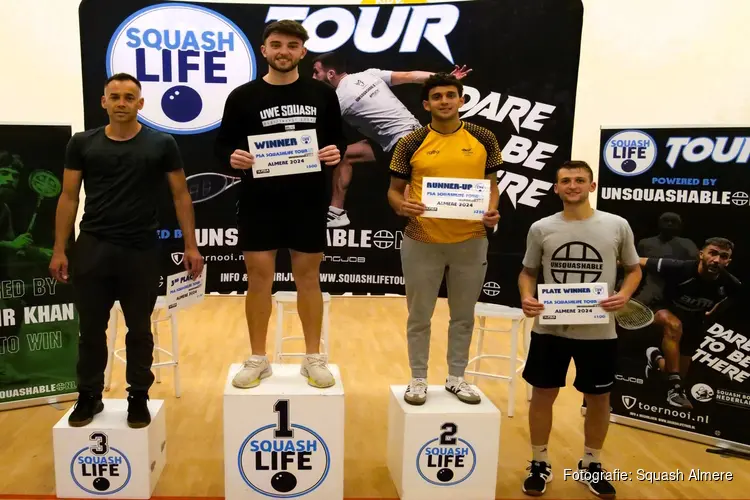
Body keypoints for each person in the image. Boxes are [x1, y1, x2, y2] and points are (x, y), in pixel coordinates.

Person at [49, 73, 203, 428]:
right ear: (104, 102)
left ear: (140, 103)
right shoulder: (82, 143)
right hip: (93, 247)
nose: (121, 103)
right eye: (114, 97)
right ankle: (89, 395)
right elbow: (69, 197)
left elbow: (181, 195)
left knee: (139, 330)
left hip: (141, 249)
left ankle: (138, 396)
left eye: (129, 97)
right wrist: (60, 248)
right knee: (90, 330)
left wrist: (190, 245)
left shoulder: (161, 143)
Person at [214, 21, 346, 389]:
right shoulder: (242, 96)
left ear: (303, 52)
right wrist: (233, 158)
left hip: (306, 201)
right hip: (259, 202)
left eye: (292, 45)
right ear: (264, 50)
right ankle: (258, 358)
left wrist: (337, 152)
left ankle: (313, 358)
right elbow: (223, 147)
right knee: (259, 281)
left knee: (308, 279)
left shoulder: (322, 95)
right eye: (276, 44)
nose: (284, 51)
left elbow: (338, 141)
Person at [518, 160, 642, 497]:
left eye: (579, 180)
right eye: (565, 181)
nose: (572, 185)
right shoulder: (541, 228)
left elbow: (634, 269)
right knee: (543, 395)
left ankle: (591, 463)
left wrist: (624, 295)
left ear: (592, 186)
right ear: (556, 188)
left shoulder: (616, 225)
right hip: (550, 329)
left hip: (599, 331)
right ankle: (539, 461)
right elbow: (528, 272)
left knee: (599, 398)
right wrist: (527, 297)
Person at [386, 72, 501, 406]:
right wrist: (402, 206)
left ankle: (456, 378)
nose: (445, 101)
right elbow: (394, 192)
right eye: (437, 97)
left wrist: (492, 211)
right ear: (426, 104)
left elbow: (491, 186)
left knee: (463, 316)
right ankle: (418, 378)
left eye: (451, 95)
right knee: (419, 317)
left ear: (462, 100)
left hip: (471, 239)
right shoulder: (410, 142)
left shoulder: (484, 138)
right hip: (422, 239)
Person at [312, 51, 471, 228]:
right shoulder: (369, 75)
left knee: (409, 200)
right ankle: (336, 213)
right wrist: (446, 79)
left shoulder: (338, 100)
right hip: (399, 138)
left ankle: (456, 224)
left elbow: (314, 126)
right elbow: (409, 76)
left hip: (406, 142)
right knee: (345, 155)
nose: (314, 77)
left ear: (331, 74)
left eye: (316, 72)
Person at [638, 237, 741, 409]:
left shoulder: (731, 284)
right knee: (673, 325)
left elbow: (731, 299)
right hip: (661, 310)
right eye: (713, 253)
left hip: (692, 323)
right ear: (701, 254)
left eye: (723, 256)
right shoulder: (680, 267)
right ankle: (676, 391)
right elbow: (636, 261)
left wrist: (716, 310)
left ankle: (655, 358)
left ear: (728, 262)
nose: (716, 260)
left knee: (672, 371)